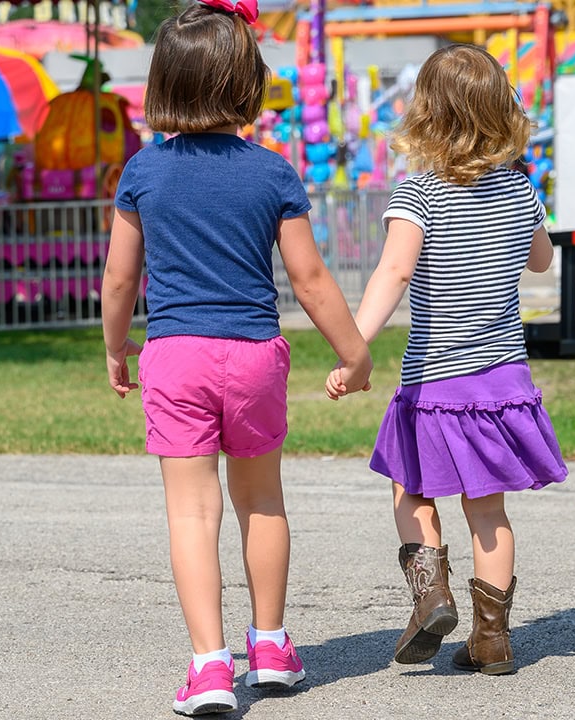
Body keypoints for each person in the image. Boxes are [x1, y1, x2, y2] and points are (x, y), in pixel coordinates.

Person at [101, 0, 373, 714]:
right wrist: (357, 352)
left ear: (165, 83)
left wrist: (114, 349)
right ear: (246, 82)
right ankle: (273, 646)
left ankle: (209, 665)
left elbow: (121, 279)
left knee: (192, 514)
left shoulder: (143, 174)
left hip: (176, 354)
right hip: (254, 354)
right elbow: (311, 282)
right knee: (261, 501)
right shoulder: (273, 174)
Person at [326, 44, 568, 676]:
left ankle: (431, 595)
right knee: (490, 512)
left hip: (437, 383)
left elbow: (392, 273)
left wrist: (354, 344)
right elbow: (542, 261)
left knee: (413, 493)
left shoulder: (419, 193)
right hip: (503, 384)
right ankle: (493, 641)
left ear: (426, 113)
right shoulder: (522, 189)